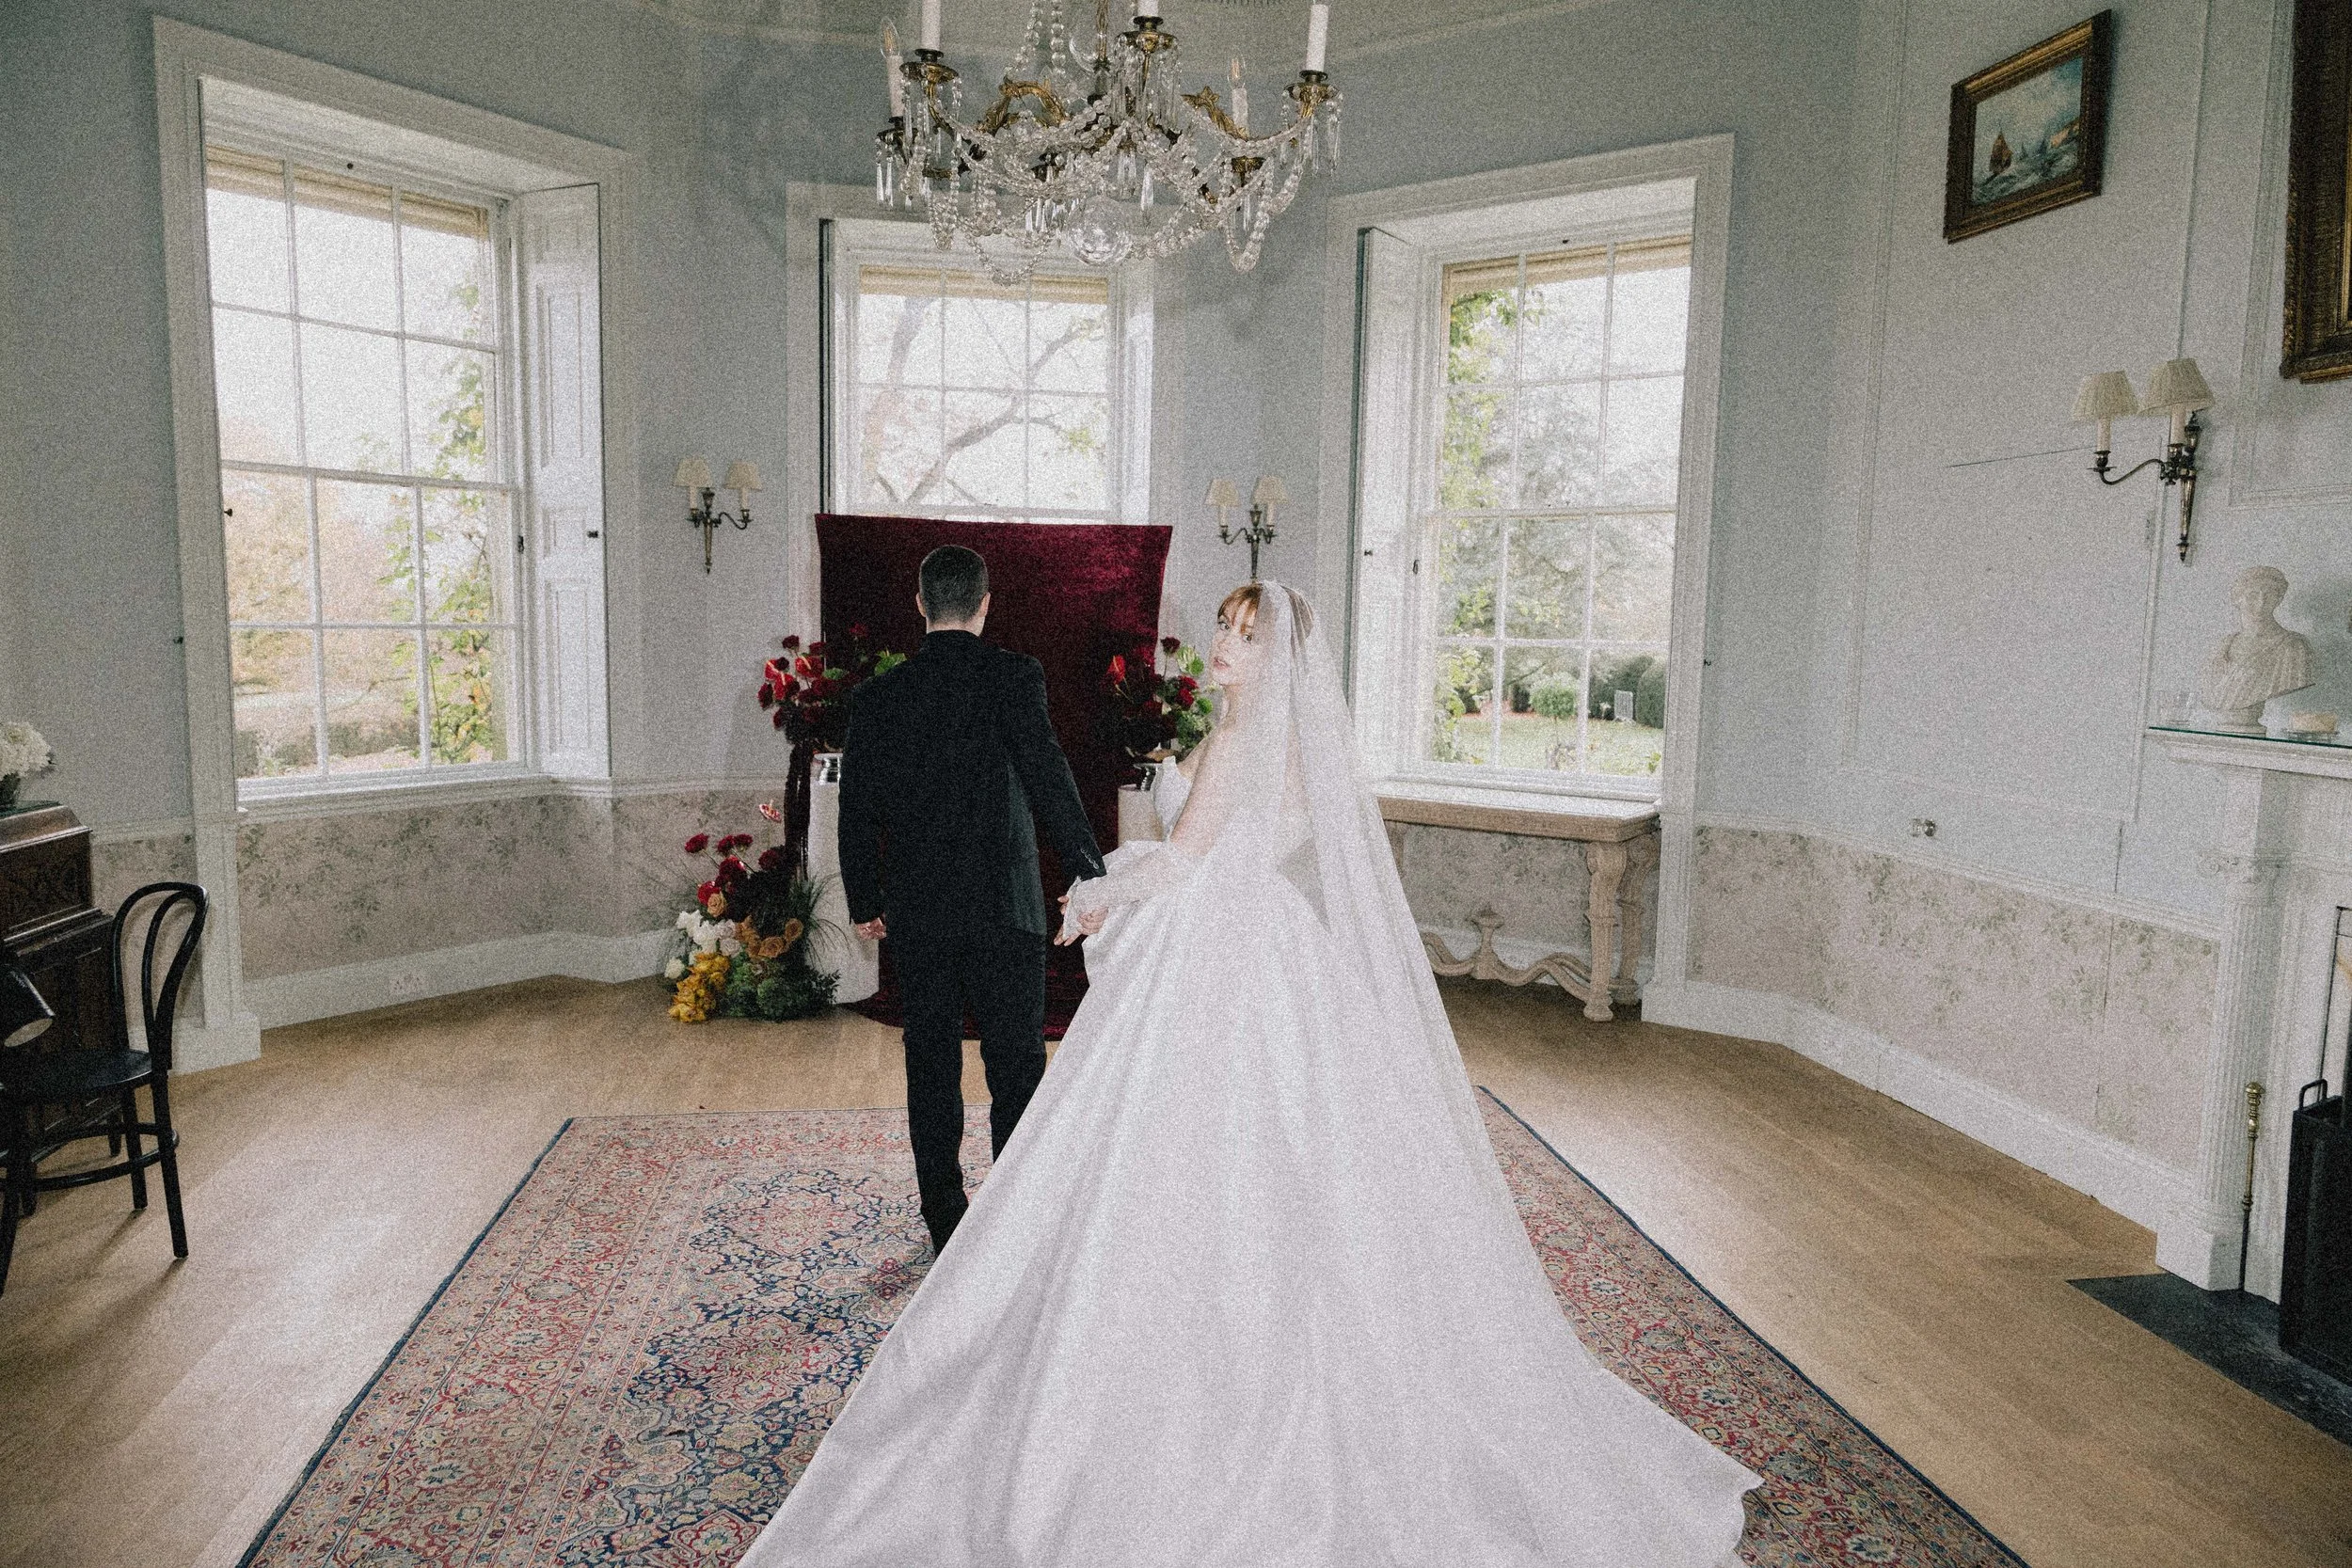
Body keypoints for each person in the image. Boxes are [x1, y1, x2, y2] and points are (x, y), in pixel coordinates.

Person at [745, 580, 1757, 1567]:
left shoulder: (1234, 741)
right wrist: (1118, 881)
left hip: (1216, 953)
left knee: (1189, 1155)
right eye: (1224, 631)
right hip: (1272, 943)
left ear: (1278, 656)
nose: (1221, 648)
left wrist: (1103, 895)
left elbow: (1183, 860)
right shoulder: (1292, 749)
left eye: (1242, 635)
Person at [834, 545, 1106, 1255]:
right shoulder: (1016, 676)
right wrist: (1089, 868)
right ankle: (1012, 1221)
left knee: (931, 1064)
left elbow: (856, 810)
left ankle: (945, 1219)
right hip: (1005, 905)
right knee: (1016, 1064)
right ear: (986, 604)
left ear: (920, 605)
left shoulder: (877, 697)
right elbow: (1050, 774)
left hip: (919, 912)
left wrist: (865, 896)